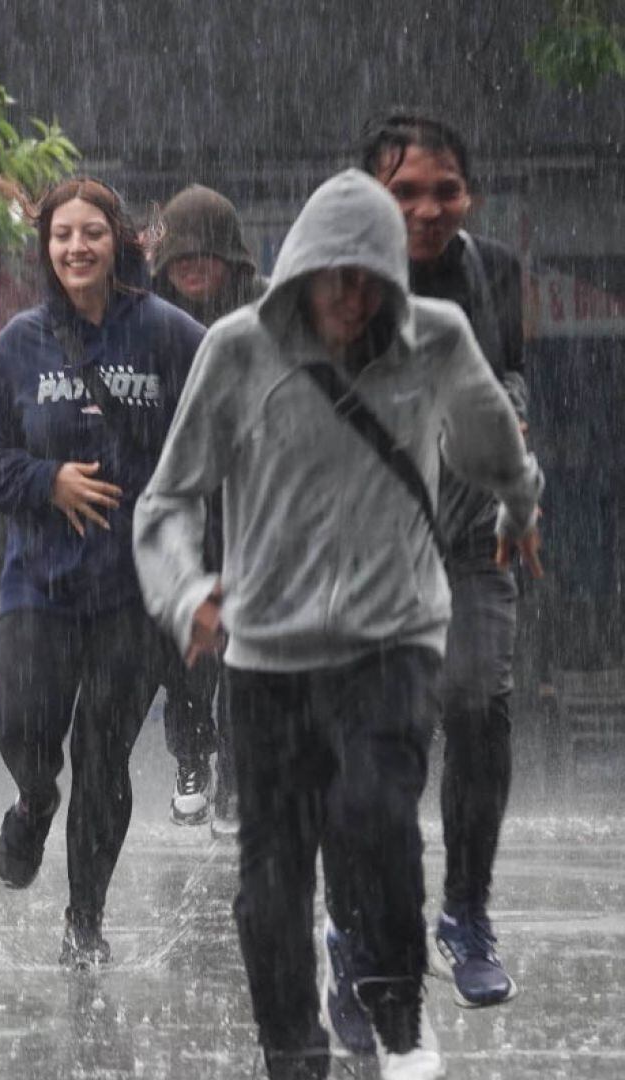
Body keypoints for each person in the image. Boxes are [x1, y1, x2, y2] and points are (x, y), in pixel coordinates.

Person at [134, 169, 543, 1080]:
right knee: (268, 879)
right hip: (268, 653)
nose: (350, 298)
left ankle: (399, 1014)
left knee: (376, 820)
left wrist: (520, 509)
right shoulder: (238, 350)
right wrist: (185, 591)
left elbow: (492, 446)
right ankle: (292, 1053)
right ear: (300, 271)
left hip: (389, 639)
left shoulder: (435, 341)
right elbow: (164, 503)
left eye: (370, 279)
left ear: (395, 281)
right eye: (334, 277)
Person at [318, 111, 529, 1023]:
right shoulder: (333, 284)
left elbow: (511, 380)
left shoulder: (496, 278)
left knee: (478, 704)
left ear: (469, 193)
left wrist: (513, 441)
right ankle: (356, 938)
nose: (428, 208)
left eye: (445, 189)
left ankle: (466, 914)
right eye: (406, 192)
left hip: (470, 540)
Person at [0, 177, 204, 967]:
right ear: (46, 248)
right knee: (24, 731)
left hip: (134, 592)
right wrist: (48, 482)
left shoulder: (171, 335)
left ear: (119, 241)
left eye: (91, 233)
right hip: (40, 583)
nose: (77, 247)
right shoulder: (20, 344)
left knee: (104, 755)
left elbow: (217, 440)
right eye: (62, 235)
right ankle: (34, 803)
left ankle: (85, 921)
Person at [148, 184, 270, 834]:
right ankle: (192, 756)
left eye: (204, 255)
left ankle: (238, 783)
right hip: (177, 496)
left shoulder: (265, 308)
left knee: (246, 645)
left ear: (230, 257)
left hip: (250, 495)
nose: (193, 268)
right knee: (187, 648)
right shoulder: (145, 314)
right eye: (180, 257)